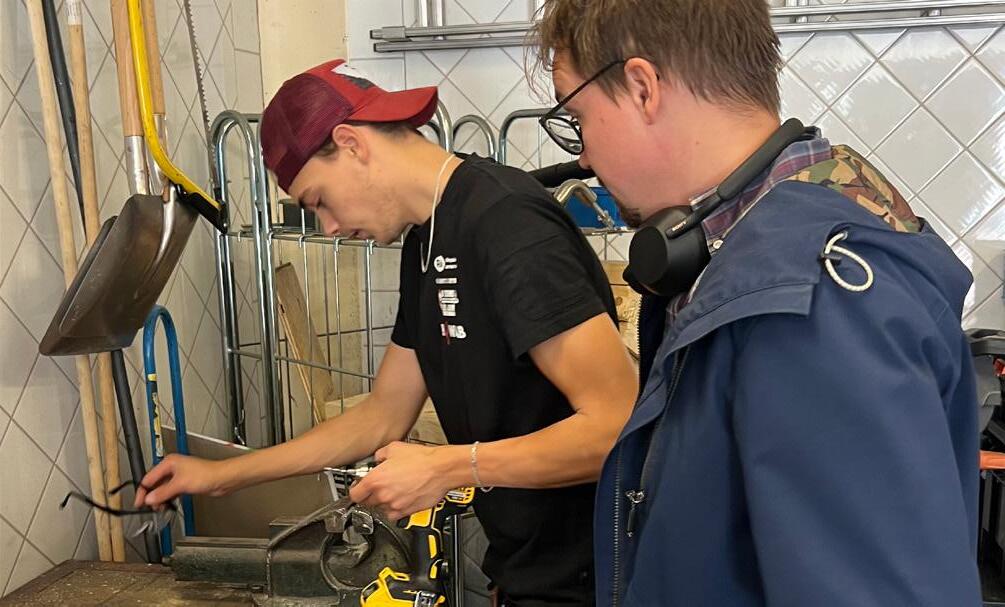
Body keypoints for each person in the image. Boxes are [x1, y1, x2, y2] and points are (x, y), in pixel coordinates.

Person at [135, 58, 637, 606]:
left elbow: (616, 426)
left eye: (318, 200)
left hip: (600, 578)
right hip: (528, 571)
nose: (328, 227)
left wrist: (448, 467)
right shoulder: (428, 237)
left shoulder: (507, 224)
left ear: (350, 143)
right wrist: (222, 477)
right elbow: (383, 413)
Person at [531, 0, 982, 605]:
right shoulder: (753, 254)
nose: (583, 156)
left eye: (578, 118)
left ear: (642, 88)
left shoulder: (809, 308)